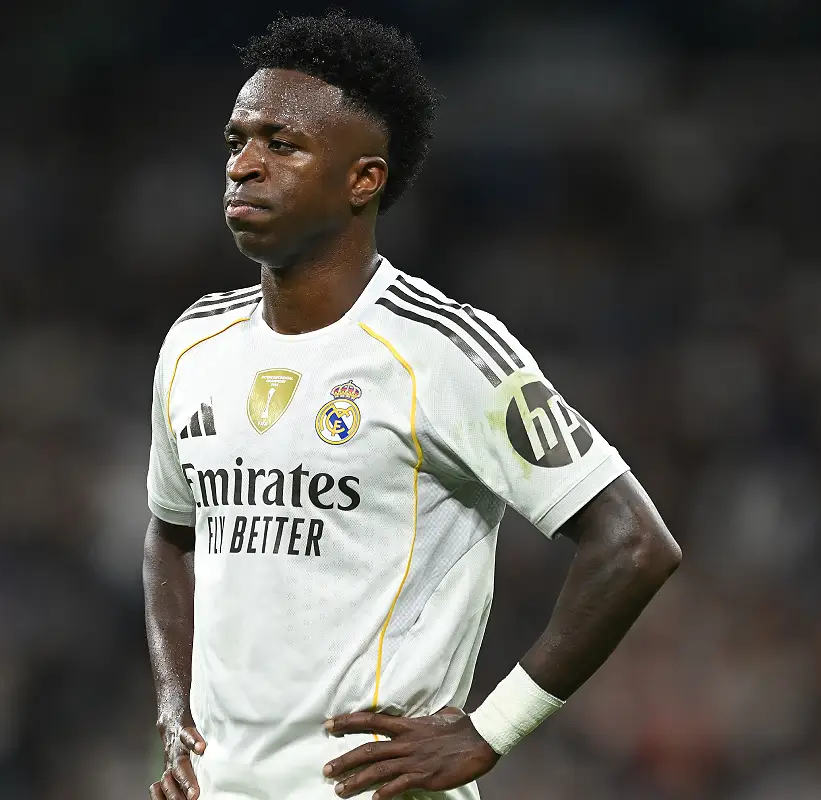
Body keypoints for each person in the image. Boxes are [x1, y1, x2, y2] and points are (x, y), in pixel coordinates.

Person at [143, 10, 682, 800]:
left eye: (281, 145)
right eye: (237, 142)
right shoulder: (193, 343)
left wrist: (492, 731)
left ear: (364, 178)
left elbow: (634, 544)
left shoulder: (446, 349)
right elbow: (169, 534)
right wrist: (172, 706)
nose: (245, 166)